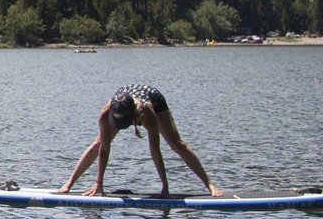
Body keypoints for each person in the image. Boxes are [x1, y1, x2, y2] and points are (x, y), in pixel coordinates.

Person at [59, 85, 223, 198]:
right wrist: (98, 183)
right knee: (98, 143)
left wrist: (165, 187)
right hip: (123, 101)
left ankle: (209, 184)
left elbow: (155, 152)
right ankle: (68, 183)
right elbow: (104, 148)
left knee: (176, 144)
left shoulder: (147, 113)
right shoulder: (105, 113)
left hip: (153, 99)